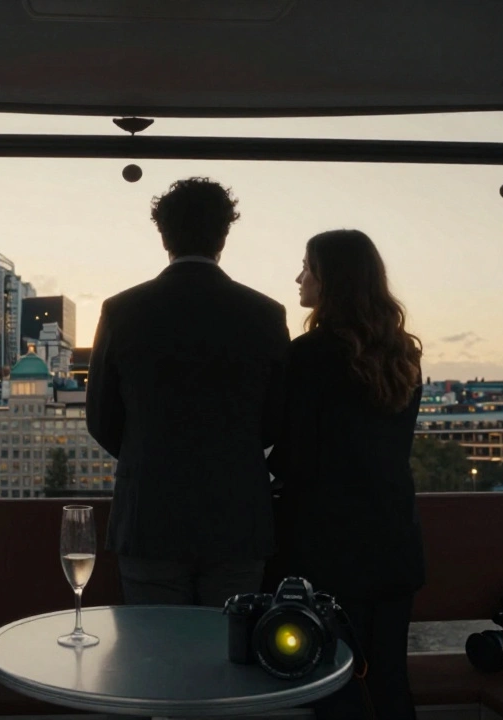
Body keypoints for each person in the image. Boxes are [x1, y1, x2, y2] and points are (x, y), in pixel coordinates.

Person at [86, 177, 290, 608]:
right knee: (230, 652)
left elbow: (101, 418)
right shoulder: (265, 314)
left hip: (148, 518)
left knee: (155, 657)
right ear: (224, 234)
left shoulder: (122, 310)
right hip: (238, 517)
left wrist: (150, 453)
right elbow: (278, 417)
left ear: (164, 236)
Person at [269, 229, 426, 720]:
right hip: (394, 541)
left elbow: (294, 455)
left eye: (307, 268)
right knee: (389, 680)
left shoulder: (307, 356)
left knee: (333, 682)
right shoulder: (404, 355)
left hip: (327, 548)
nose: (298, 277)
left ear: (331, 280)